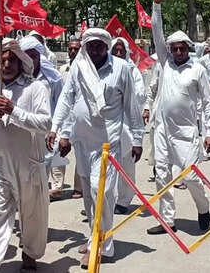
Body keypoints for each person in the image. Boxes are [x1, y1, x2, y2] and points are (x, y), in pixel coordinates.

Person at [47, 28, 144, 268]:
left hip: (107, 143)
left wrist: (138, 138)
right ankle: (94, 237)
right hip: (82, 141)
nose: (94, 50)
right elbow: (68, 100)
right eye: (90, 45)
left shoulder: (121, 68)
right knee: (89, 195)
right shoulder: (79, 67)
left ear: (106, 47)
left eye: (99, 45)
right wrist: (58, 130)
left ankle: (103, 247)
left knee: (102, 192)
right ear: (85, 47)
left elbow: (131, 105)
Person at [0, 38, 52, 272]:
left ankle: (30, 252)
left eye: (11, 60)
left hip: (29, 164)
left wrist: (13, 111)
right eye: (1, 60)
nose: (6, 65)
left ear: (20, 62)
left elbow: (45, 123)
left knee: (32, 215)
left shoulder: (35, 88)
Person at [148, 0, 210, 235]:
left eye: (181, 48)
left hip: (187, 132)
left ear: (188, 48)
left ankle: (203, 208)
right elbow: (157, 33)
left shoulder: (197, 70)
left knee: (190, 176)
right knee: (162, 174)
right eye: (174, 48)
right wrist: (156, 6)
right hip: (162, 129)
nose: (177, 52)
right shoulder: (165, 63)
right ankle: (168, 220)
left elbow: (208, 103)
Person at [20, 35, 66, 200]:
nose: (30, 60)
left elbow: (62, 104)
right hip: (22, 131)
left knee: (43, 170)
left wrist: (62, 132)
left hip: (47, 132)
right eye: (26, 56)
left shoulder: (53, 78)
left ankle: (41, 199)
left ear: (39, 56)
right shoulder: (16, 77)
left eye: (34, 56)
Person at [110, 37, 146, 214]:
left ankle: (124, 200)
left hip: (128, 125)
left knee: (127, 166)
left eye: (121, 50)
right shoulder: (105, 70)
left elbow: (139, 97)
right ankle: (105, 199)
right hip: (109, 125)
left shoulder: (133, 72)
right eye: (115, 50)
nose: (118, 53)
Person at [56, 37, 83, 200]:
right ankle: (57, 186)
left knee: (80, 152)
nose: (73, 51)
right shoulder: (62, 70)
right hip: (64, 117)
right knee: (58, 150)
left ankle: (79, 187)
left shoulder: (87, 70)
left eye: (76, 49)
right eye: (71, 48)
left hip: (80, 118)